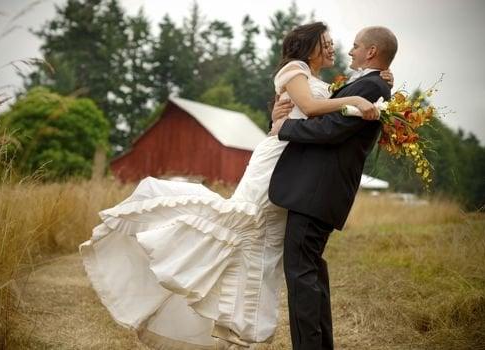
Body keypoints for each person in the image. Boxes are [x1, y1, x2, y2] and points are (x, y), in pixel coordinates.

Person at [79, 22, 394, 350]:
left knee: (263, 246)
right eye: (326, 42)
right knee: (242, 226)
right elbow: (312, 110)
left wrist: (378, 81)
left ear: (372, 52)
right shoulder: (294, 68)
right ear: (310, 45)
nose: (336, 48)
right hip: (279, 162)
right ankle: (174, 258)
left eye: (342, 43)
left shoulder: (328, 83)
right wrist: (354, 99)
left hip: (297, 167)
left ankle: (241, 327)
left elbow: (323, 114)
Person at [268, 25, 398, 350]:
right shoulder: (369, 83)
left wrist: (285, 128)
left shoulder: (371, 86)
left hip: (316, 191)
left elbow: (330, 130)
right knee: (310, 272)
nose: (348, 50)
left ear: (371, 52)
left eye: (355, 46)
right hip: (318, 190)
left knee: (301, 275)